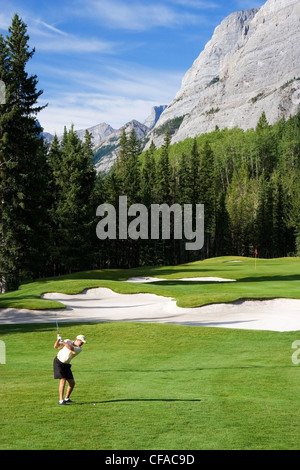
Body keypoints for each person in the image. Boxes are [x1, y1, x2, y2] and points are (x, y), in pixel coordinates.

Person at [53, 333, 87, 405]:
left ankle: (67, 398)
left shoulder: (79, 349)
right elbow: (56, 347)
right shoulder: (68, 341)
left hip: (66, 365)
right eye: (81, 342)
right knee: (63, 380)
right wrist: (58, 340)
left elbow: (70, 348)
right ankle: (61, 400)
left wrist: (62, 341)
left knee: (72, 382)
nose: (82, 344)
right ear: (77, 340)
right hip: (58, 362)